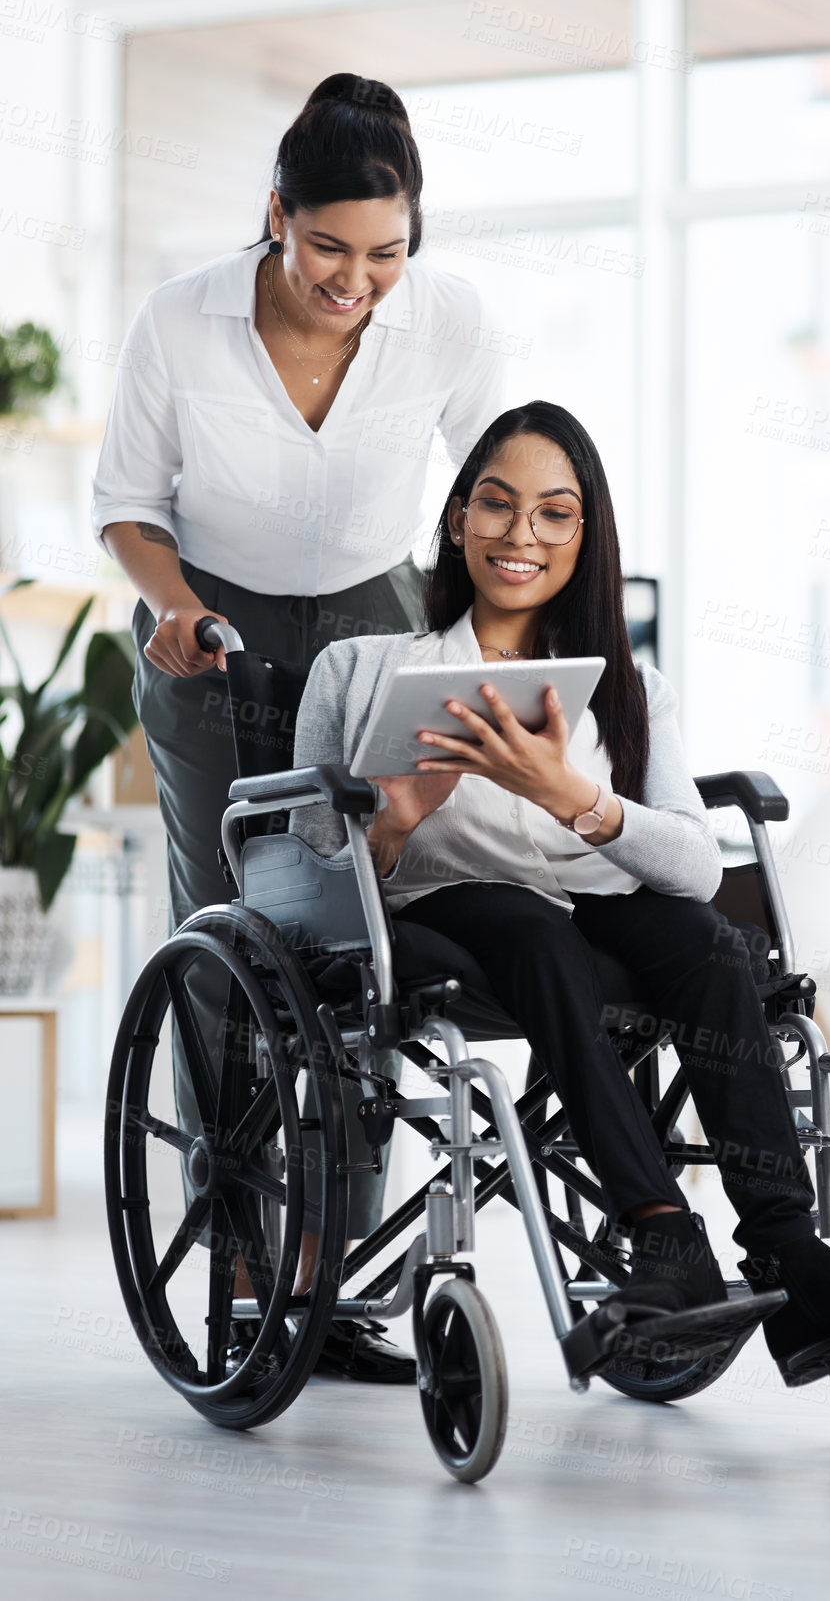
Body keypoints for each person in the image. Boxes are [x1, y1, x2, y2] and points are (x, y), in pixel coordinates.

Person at [290, 400, 830, 1368]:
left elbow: (695, 868)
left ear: (584, 533)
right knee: (530, 927)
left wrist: (573, 796)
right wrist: (398, 820)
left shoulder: (630, 690)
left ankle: (794, 1255)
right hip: (439, 912)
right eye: (495, 505)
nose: (520, 534)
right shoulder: (359, 670)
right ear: (457, 521)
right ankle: (662, 1231)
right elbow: (300, 866)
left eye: (554, 513)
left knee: (709, 942)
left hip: (593, 904)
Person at [91, 72, 509, 1382]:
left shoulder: (441, 319)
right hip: (208, 631)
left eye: (384, 252)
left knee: (358, 936)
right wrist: (175, 608)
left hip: (373, 619)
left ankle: (333, 1276)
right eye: (327, 246)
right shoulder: (182, 321)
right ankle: (236, 1258)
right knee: (232, 931)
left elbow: (494, 476)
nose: (354, 280)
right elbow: (125, 505)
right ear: (273, 213)